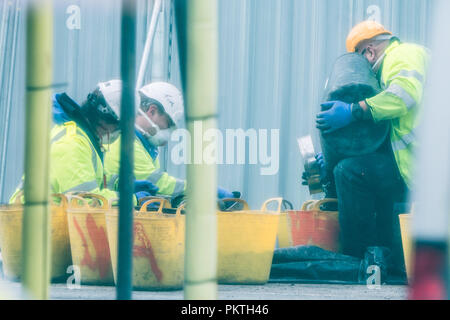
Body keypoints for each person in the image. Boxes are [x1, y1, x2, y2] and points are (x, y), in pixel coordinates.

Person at [313, 21, 430, 281]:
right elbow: (389, 131)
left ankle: (357, 260)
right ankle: (380, 257)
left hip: (424, 166)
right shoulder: (391, 66)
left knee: (352, 173)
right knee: (355, 170)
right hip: (410, 165)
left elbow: (403, 96)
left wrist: (354, 110)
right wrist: (333, 154)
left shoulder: (404, 55)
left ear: (369, 52)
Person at [10, 80, 158, 204]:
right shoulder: (73, 143)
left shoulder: (84, 137)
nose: (118, 133)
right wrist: (131, 199)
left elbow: (92, 181)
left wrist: (120, 185)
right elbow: (85, 200)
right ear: (104, 119)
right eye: (119, 128)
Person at [104, 81, 234, 203]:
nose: (169, 132)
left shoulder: (144, 146)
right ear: (152, 111)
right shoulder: (125, 143)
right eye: (168, 124)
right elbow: (160, 184)